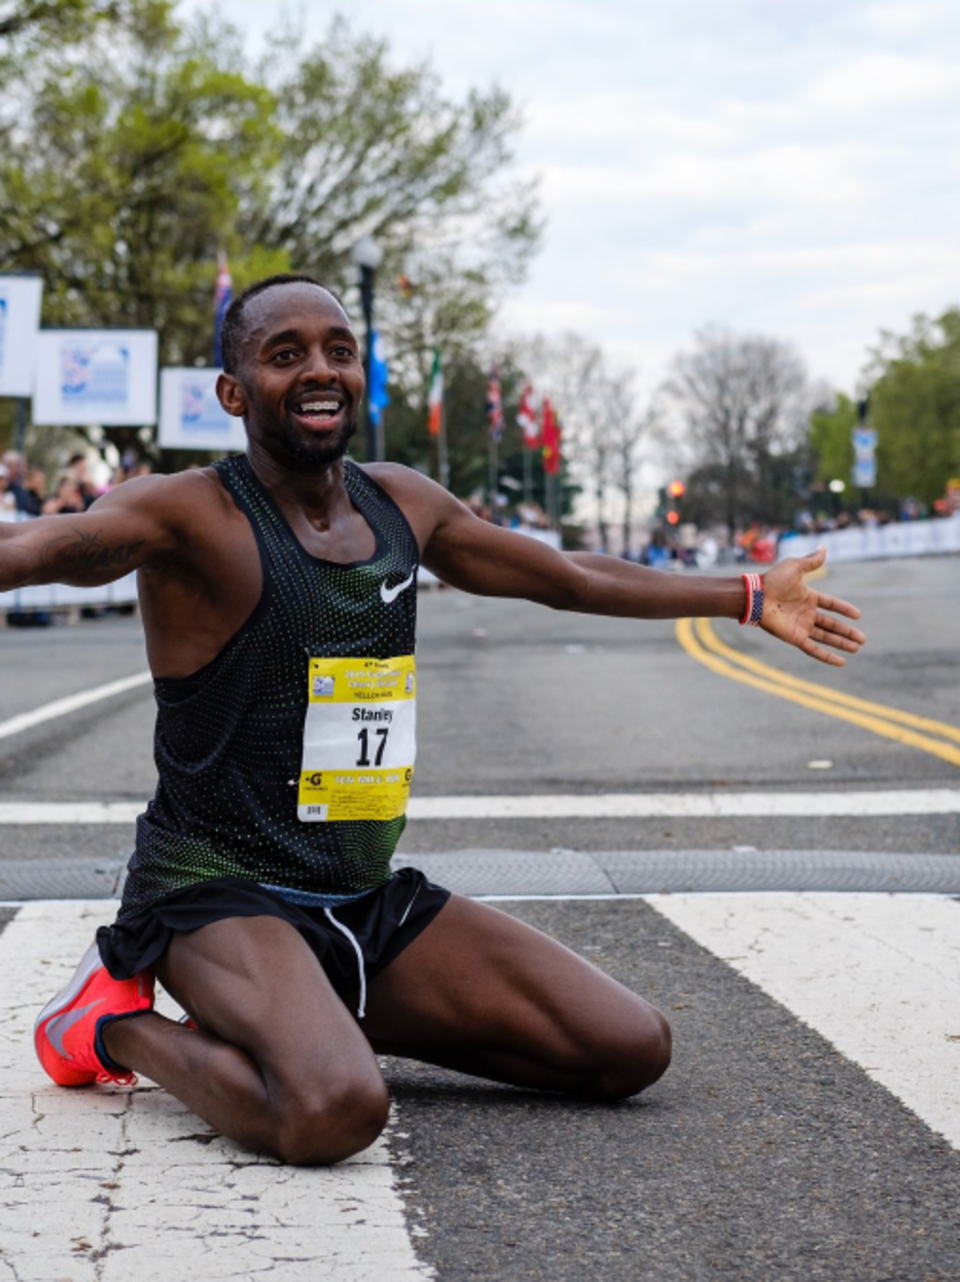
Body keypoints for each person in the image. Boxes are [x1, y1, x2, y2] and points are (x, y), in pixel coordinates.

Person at [7, 275, 865, 1166]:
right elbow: (36, 547)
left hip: (362, 896)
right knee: (333, 1109)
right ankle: (108, 1024)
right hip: (214, 895)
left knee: (627, 1047)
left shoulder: (400, 503)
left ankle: (313, 1013)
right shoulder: (188, 513)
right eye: (285, 353)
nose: (320, 370)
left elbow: (562, 574)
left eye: (339, 350)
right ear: (233, 392)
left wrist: (747, 593)